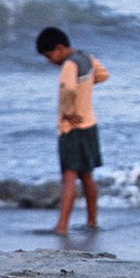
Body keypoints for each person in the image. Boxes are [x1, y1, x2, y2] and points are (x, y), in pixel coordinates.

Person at [37, 26, 107, 232]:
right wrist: (86, 86)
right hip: (90, 124)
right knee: (87, 175)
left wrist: (67, 112)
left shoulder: (69, 65)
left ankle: (62, 225)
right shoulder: (86, 57)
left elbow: (67, 89)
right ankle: (92, 220)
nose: (49, 61)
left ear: (59, 48)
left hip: (71, 128)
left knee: (68, 176)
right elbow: (103, 75)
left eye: (49, 56)